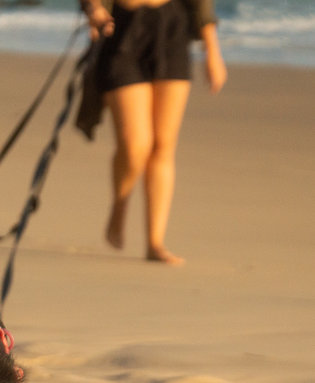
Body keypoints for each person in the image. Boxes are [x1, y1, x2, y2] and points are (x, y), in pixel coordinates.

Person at [80, 0, 227, 265]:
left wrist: (212, 50)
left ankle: (155, 243)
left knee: (163, 144)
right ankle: (121, 201)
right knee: (136, 143)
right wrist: (93, 9)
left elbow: (202, 5)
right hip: (122, 28)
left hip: (172, 29)